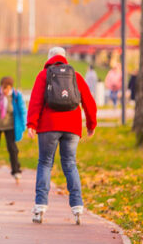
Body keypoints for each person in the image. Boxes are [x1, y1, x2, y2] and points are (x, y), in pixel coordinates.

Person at [26, 46, 97, 224]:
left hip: (48, 126)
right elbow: (88, 101)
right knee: (70, 164)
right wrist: (91, 124)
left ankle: (40, 207)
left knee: (45, 163)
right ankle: (77, 207)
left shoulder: (43, 75)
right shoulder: (76, 75)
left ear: (49, 58)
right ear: (65, 58)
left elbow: (35, 101)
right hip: (72, 127)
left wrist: (31, 124)